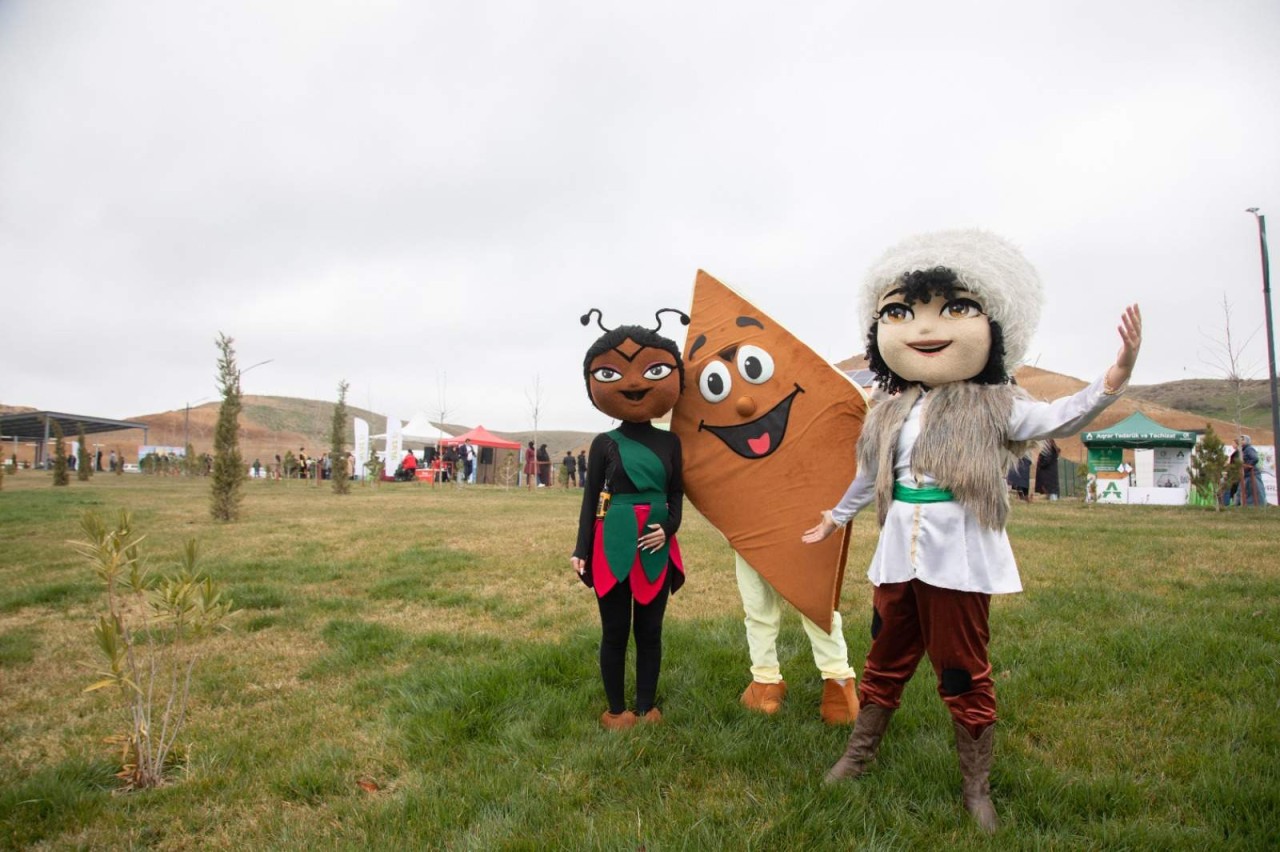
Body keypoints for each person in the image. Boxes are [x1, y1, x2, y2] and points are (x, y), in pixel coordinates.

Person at [803, 229, 1143, 832]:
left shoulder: (997, 403)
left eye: (955, 308)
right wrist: (836, 516)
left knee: (961, 666)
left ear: (992, 329)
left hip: (958, 554)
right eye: (902, 312)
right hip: (896, 554)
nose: (925, 327)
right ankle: (857, 756)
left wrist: (1113, 378)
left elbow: (1059, 414)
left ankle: (976, 787)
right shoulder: (888, 407)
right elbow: (870, 473)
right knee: (884, 655)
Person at [571, 307, 689, 731]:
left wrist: (669, 527)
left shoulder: (671, 442)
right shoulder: (605, 443)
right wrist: (581, 548)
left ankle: (646, 706)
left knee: (651, 631)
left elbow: (677, 492)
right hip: (614, 539)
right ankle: (616, 709)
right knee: (615, 629)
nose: (635, 383)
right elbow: (590, 497)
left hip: (656, 541)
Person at [1239, 434, 1267, 506]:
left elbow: (1255, 458)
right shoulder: (1243, 450)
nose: (1240, 441)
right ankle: (1251, 506)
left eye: (1242, 440)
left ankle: (1260, 506)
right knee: (1249, 491)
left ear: (1247, 441)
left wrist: (1248, 466)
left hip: (1253, 474)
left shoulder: (1249, 449)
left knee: (1257, 491)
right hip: (1247, 475)